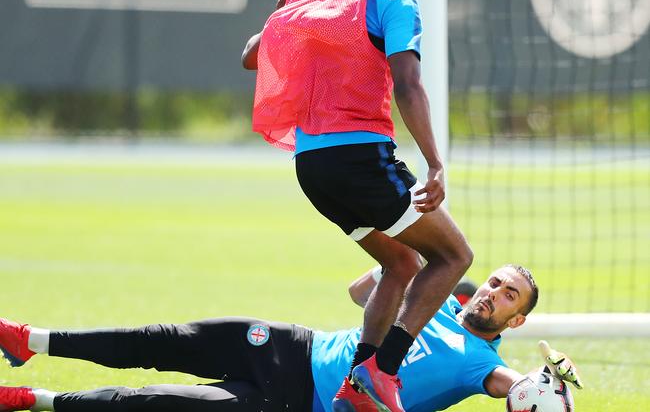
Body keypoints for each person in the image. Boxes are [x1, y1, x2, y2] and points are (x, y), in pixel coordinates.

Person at [242, 0, 473, 409]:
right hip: (360, 160)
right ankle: (383, 368)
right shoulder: (394, 1)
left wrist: (293, 18)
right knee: (454, 257)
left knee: (401, 261)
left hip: (311, 165)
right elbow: (409, 84)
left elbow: (250, 56)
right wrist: (434, 163)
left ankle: (358, 385)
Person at [0, 265, 582, 412]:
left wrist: (542, 386)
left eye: (508, 297)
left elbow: (516, 391)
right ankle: (29, 339)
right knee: (160, 339)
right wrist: (420, 267)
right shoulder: (434, 299)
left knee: (153, 403)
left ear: (517, 323)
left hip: (293, 403)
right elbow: (359, 292)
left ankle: (33, 401)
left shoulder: (480, 363)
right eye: (496, 283)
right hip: (292, 346)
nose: (493, 294)